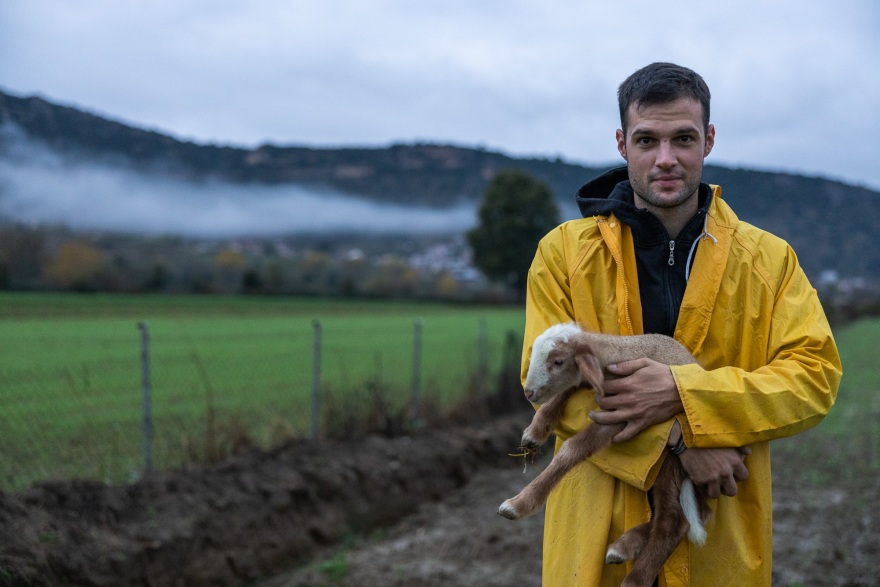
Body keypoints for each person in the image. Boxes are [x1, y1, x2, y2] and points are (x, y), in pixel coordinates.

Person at [521, 62, 842, 586]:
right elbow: (547, 389)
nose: (665, 159)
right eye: (647, 140)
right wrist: (685, 440)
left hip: (719, 546)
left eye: (683, 139)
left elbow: (813, 377)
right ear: (623, 143)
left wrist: (685, 395)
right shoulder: (561, 256)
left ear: (709, 140)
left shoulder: (769, 260)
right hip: (592, 549)